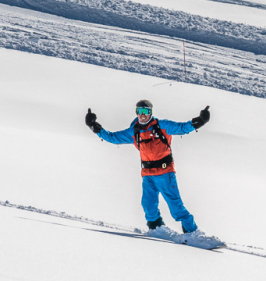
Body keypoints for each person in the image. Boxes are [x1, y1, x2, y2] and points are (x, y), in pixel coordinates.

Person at [85, 99, 212, 234]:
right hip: (148, 175)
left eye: (146, 111)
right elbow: (113, 137)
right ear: (136, 112)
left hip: (165, 173)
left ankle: (192, 232)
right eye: (140, 111)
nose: (143, 114)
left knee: (176, 207)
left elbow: (182, 128)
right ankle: (157, 229)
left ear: (151, 112)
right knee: (148, 205)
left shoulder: (162, 125)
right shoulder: (134, 132)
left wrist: (200, 121)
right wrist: (94, 126)